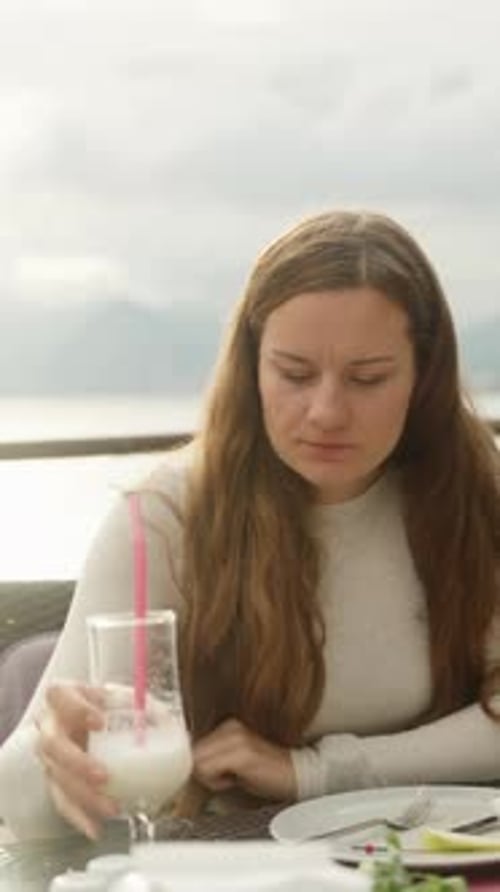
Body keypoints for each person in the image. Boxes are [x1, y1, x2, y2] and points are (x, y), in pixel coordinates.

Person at [0, 210, 499, 841]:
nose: (325, 411)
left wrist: (314, 773)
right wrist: (53, 760)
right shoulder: (165, 519)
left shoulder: (478, 497)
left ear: (423, 377)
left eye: (367, 378)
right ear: (252, 367)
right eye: (293, 373)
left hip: (427, 865)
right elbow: (19, 801)